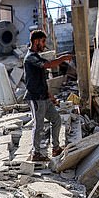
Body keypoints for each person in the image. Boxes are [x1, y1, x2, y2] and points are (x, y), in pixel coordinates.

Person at [23, 30, 64, 162]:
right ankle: (36, 153)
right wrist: (63, 59)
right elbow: (48, 65)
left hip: (44, 97)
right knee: (39, 125)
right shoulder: (30, 57)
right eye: (43, 41)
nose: (44, 44)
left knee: (56, 120)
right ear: (36, 41)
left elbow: (41, 79)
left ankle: (56, 148)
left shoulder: (36, 56)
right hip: (35, 98)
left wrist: (50, 95)